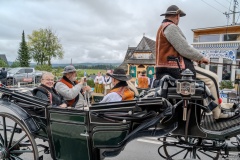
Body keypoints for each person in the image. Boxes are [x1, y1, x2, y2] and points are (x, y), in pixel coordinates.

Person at [156, 5, 237, 119]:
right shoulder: (171, 27)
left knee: (209, 80)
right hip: (177, 69)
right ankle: (218, 113)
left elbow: (179, 50)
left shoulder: (163, 27)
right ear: (177, 16)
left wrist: (195, 59)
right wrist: (201, 58)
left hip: (171, 68)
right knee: (213, 78)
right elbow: (184, 48)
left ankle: (219, 105)